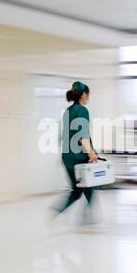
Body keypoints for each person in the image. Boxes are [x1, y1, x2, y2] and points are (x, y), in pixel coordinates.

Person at [48, 81, 98, 225]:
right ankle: (86, 220)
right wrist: (91, 153)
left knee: (77, 191)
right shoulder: (82, 111)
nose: (88, 98)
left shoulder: (67, 112)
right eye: (87, 95)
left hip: (67, 157)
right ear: (83, 94)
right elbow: (83, 136)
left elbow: (62, 137)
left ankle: (55, 212)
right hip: (79, 157)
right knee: (90, 188)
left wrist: (64, 156)